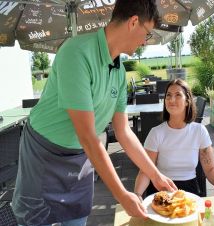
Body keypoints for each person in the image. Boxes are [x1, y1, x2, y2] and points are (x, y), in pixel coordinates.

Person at [12, 0, 177, 225]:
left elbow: (123, 133)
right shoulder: (76, 52)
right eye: (147, 34)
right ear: (134, 22)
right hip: (43, 153)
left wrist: (156, 176)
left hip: (81, 155)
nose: (144, 42)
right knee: (36, 220)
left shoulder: (119, 72)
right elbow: (89, 136)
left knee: (77, 220)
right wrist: (121, 195)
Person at [134, 79, 214, 199]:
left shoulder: (199, 131)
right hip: (161, 190)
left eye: (178, 95)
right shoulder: (156, 133)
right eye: (168, 95)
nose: (171, 100)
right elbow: (145, 170)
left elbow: (211, 168)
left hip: (190, 191)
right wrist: (138, 195)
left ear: (187, 101)